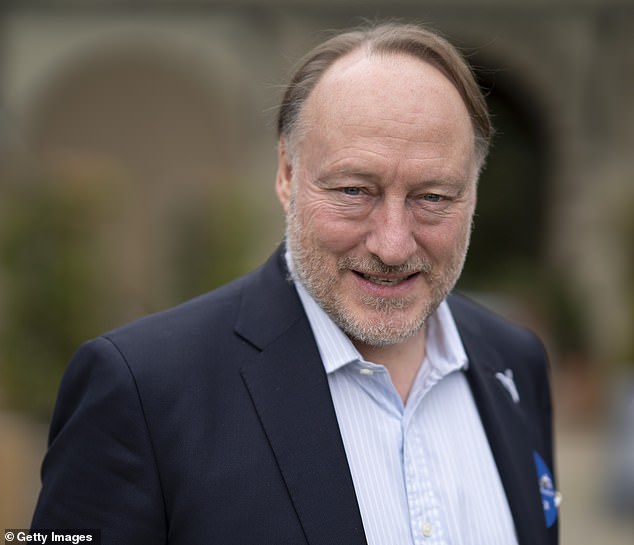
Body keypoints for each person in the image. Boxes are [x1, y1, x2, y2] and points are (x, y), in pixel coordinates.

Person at [32, 22, 559, 545]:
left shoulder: (514, 362)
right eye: (355, 190)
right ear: (286, 173)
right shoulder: (141, 390)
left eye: (434, 198)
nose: (393, 245)